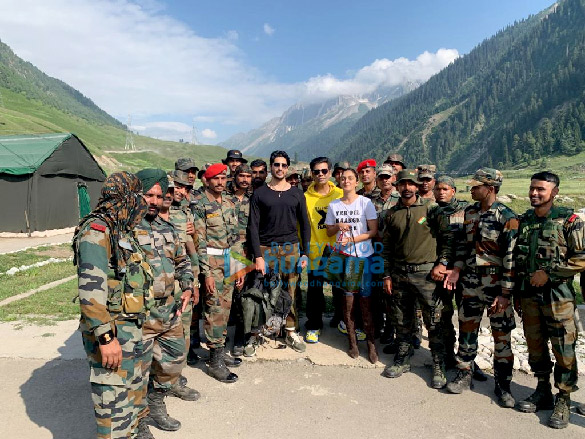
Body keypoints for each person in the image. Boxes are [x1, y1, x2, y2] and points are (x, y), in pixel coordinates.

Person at [73, 172, 154, 439]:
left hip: (129, 330)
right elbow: (91, 292)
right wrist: (106, 339)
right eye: (137, 197)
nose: (142, 204)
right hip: (113, 334)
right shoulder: (97, 231)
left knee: (128, 403)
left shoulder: (119, 227)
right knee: (113, 407)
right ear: (125, 199)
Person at [514, 172, 585, 428]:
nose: (534, 193)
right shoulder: (525, 221)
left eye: (540, 189)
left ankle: (564, 398)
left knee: (563, 349)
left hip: (558, 297)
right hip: (529, 296)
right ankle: (542, 389)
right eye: (532, 188)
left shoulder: (570, 220)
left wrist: (550, 274)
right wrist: (517, 294)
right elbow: (517, 260)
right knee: (535, 344)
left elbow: (581, 258)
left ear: (554, 192)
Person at [444, 168, 518, 408]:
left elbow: (511, 258)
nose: (472, 189)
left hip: (496, 288)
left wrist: (506, 293)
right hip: (470, 285)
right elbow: (463, 248)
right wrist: (456, 268)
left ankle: (503, 384)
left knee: (501, 337)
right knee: (466, 331)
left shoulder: (507, 217)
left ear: (491, 188)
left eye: (476, 186)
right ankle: (464, 374)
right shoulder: (470, 213)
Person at [134, 169, 196, 433]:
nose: (154, 201)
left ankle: (156, 401)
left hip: (168, 311)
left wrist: (187, 286)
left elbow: (182, 261)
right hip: (138, 315)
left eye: (159, 196)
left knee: (172, 363)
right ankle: (139, 421)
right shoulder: (126, 229)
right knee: (136, 373)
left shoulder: (167, 228)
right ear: (138, 195)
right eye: (149, 195)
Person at [381, 169, 453, 389]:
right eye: (402, 184)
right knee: (401, 320)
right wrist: (387, 274)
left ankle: (438, 363)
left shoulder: (431, 209)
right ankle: (403, 359)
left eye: (411, 184)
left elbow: (447, 238)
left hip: (426, 273)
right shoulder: (392, 214)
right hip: (400, 273)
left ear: (416, 186)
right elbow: (386, 248)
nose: (407, 188)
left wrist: (442, 263)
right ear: (397, 186)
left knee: (434, 321)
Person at [247, 150, 311, 353]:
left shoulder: (296, 193)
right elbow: (253, 228)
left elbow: (305, 225)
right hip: (266, 250)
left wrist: (304, 253)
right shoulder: (260, 194)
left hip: (291, 250)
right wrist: (258, 256)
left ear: (288, 167)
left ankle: (291, 331)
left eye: (284, 165)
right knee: (262, 292)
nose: (280, 168)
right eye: (276, 165)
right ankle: (256, 333)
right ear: (271, 167)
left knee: (290, 292)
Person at [192, 163, 245, 383]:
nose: (221, 182)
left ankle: (220, 350)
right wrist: (207, 274)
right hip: (211, 263)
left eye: (224, 178)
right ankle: (214, 361)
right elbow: (199, 241)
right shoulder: (200, 205)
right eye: (216, 179)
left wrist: (239, 266)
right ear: (208, 180)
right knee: (214, 309)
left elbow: (235, 237)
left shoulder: (230, 203)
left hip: (228, 261)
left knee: (225, 308)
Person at [432, 176, 488, 381]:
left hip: (464, 273)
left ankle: (469, 362)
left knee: (468, 320)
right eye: (438, 189)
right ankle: (447, 356)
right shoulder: (432, 211)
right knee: (442, 315)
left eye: (445, 189)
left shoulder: (467, 211)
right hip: (440, 271)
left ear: (453, 191)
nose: (441, 192)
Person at [325, 168, 379, 363]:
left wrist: (354, 239)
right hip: (346, 258)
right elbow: (329, 232)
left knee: (366, 302)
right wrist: (338, 226)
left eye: (350, 178)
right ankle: (352, 342)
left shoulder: (365, 203)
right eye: (343, 178)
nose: (346, 181)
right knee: (348, 302)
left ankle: (371, 344)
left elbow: (373, 231)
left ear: (356, 182)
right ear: (339, 182)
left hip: (364, 257)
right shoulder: (334, 205)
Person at [303, 157, 343, 344]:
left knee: (341, 289)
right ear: (312, 173)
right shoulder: (305, 198)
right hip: (315, 251)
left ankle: (343, 320)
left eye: (324, 171)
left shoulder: (341, 195)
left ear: (330, 172)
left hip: (338, 251)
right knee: (314, 291)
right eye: (316, 171)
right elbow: (300, 226)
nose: (320, 174)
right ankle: (314, 325)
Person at [168, 170, 200, 395]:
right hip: (158, 285)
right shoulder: (147, 214)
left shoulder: (184, 215)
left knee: (183, 330)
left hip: (183, 281)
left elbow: (192, 250)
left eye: (185, 188)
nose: (181, 191)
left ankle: (176, 377)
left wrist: (195, 282)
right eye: (176, 186)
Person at [370, 164, 400, 347]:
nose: (384, 180)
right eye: (381, 177)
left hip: (394, 253)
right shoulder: (370, 200)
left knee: (392, 294)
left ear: (393, 178)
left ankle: (391, 329)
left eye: (388, 177)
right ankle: (377, 325)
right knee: (376, 292)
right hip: (374, 252)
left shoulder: (400, 199)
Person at [226, 164, 253, 357]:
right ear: (234, 176)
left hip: (248, 252)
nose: (244, 179)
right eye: (241, 175)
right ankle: (223, 334)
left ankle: (241, 337)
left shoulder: (254, 200)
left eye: (247, 176)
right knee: (231, 295)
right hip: (229, 253)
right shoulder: (226, 200)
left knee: (245, 295)